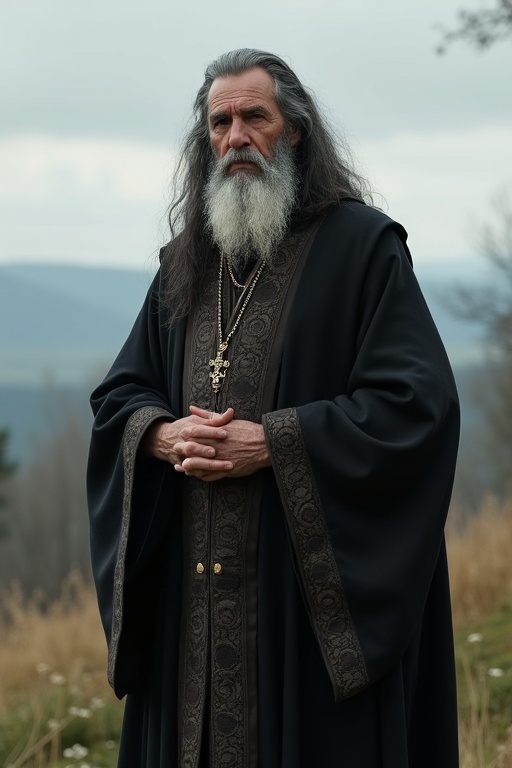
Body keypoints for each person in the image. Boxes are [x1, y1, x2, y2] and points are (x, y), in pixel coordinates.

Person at [87, 49, 460, 768]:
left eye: (254, 116)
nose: (236, 136)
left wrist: (276, 443)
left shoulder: (363, 249)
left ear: (294, 131)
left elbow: (416, 407)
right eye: (220, 121)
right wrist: (163, 436)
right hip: (189, 616)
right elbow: (119, 400)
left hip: (303, 618)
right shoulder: (184, 265)